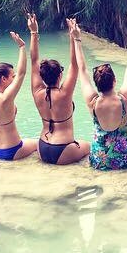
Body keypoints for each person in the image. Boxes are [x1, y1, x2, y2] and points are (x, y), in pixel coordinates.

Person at [71, 15, 127, 170]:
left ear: (97, 85)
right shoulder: (124, 99)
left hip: (98, 159)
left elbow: (82, 69)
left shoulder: (92, 102)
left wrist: (77, 39)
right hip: (124, 158)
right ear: (114, 81)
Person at [28, 13, 90, 165]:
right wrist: (73, 36)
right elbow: (74, 64)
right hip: (63, 149)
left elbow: (34, 59)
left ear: (42, 76)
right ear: (60, 75)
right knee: (88, 146)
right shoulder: (64, 94)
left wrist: (33, 32)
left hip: (42, 146)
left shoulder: (37, 92)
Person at [0, 31, 37, 160]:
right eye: (12, 76)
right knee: (38, 144)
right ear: (4, 79)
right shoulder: (5, 98)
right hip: (12, 151)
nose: (15, 77)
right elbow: (21, 73)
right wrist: (22, 47)